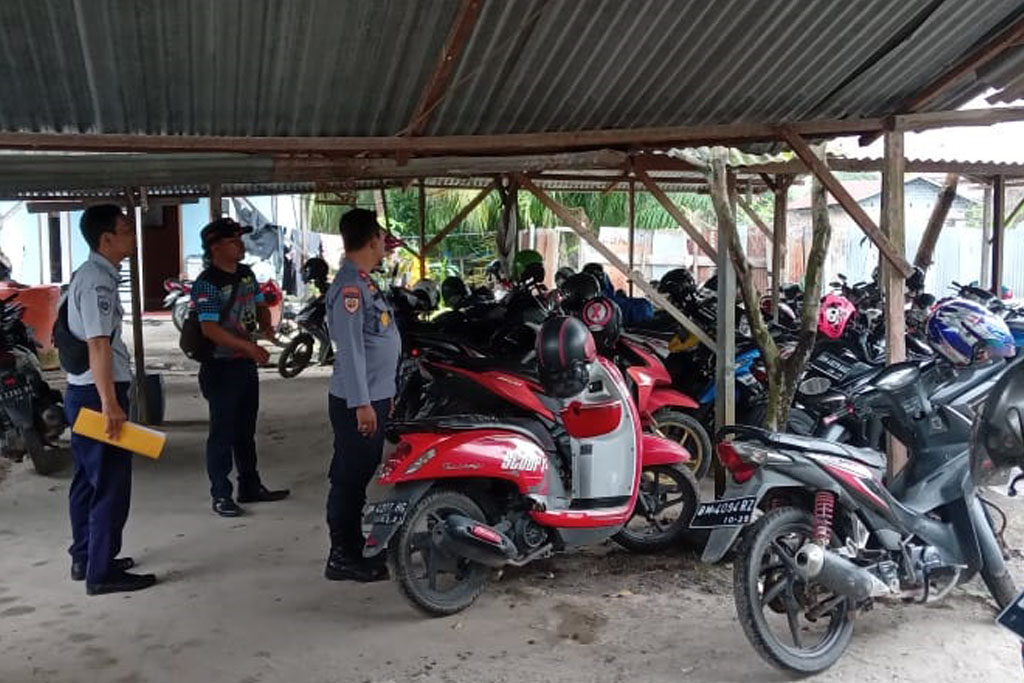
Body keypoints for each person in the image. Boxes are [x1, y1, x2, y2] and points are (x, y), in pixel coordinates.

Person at [64, 204, 156, 595]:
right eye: (126, 229)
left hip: (86, 391)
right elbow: (98, 344)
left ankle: (87, 557)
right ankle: (101, 573)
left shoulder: (90, 275)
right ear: (106, 239)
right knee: (110, 485)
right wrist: (110, 403)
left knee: (88, 481)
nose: (133, 236)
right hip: (97, 393)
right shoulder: (97, 282)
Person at [192, 217, 289, 517]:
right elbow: (209, 329)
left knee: (245, 431)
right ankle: (221, 494)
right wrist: (249, 347)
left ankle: (249, 485)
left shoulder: (246, 274)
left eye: (239, 238)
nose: (240, 244)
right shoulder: (207, 284)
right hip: (220, 367)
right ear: (216, 247)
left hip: (244, 366)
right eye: (233, 240)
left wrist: (266, 326)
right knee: (222, 433)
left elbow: (260, 304)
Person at [324, 209, 401, 583]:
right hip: (359, 401)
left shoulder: (365, 283)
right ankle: (342, 556)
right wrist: (362, 404)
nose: (385, 244)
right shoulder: (350, 288)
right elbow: (351, 351)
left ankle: (354, 547)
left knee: (358, 473)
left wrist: (386, 394)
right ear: (373, 240)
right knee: (349, 478)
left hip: (374, 396)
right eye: (383, 238)